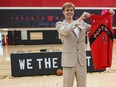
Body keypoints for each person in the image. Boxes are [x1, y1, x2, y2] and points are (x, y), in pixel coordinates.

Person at [55, 2, 115, 87]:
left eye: (71, 10)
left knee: (82, 85)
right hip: (68, 62)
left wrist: (107, 16)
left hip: (81, 61)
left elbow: (96, 26)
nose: (69, 12)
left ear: (73, 11)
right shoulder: (60, 24)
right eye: (67, 10)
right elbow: (65, 31)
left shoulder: (82, 24)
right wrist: (80, 19)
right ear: (63, 12)